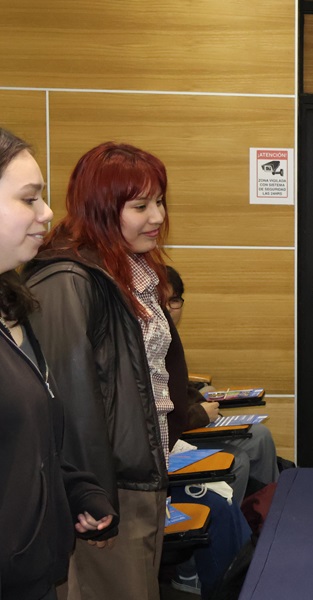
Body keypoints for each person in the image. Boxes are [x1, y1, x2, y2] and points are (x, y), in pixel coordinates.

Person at [23, 141, 187, 600]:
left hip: (142, 473)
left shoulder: (130, 269)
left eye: (159, 202)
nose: (156, 216)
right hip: (106, 485)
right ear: (100, 208)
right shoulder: (68, 280)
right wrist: (94, 498)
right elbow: (69, 405)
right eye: (140, 205)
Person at [0, 129, 118, 600]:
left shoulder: (14, 308)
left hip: (35, 573)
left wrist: (76, 489)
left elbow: (28, 436)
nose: (47, 214)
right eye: (30, 199)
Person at [165, 265, 279, 491]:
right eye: (161, 301)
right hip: (174, 435)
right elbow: (151, 416)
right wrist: (198, 414)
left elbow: (174, 385)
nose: (169, 309)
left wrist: (198, 391)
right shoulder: (145, 341)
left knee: (260, 436)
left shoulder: (169, 338)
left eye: (174, 301)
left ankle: (265, 510)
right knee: (240, 457)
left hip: (186, 418)